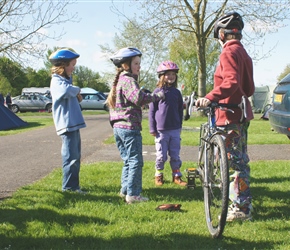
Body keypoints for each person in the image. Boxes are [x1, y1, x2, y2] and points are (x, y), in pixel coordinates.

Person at [195, 12, 255, 221]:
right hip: (242, 113)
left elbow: (230, 82)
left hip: (228, 114)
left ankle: (240, 208)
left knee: (232, 163)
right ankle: (244, 202)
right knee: (241, 160)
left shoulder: (228, 53)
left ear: (221, 34)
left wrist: (209, 97)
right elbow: (249, 87)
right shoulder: (243, 53)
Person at [107, 47, 165, 204]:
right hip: (129, 127)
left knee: (127, 160)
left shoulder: (120, 80)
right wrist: (157, 96)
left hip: (118, 127)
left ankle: (125, 190)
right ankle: (133, 195)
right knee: (135, 161)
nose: (139, 66)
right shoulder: (128, 79)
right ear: (126, 65)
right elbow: (138, 98)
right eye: (136, 63)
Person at [49, 47, 86, 193]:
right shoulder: (56, 81)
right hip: (66, 125)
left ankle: (74, 186)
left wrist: (74, 91)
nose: (73, 68)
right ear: (62, 65)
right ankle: (69, 187)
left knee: (76, 157)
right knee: (70, 158)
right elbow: (64, 91)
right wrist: (77, 90)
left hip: (73, 124)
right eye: (72, 64)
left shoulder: (66, 81)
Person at [148, 61, 187, 187]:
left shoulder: (177, 93)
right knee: (161, 156)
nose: (171, 77)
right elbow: (152, 111)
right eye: (168, 74)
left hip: (175, 129)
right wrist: (152, 128)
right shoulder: (157, 92)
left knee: (175, 154)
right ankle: (158, 175)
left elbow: (180, 110)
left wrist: (180, 125)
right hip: (161, 130)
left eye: (173, 74)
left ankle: (176, 175)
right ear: (161, 76)